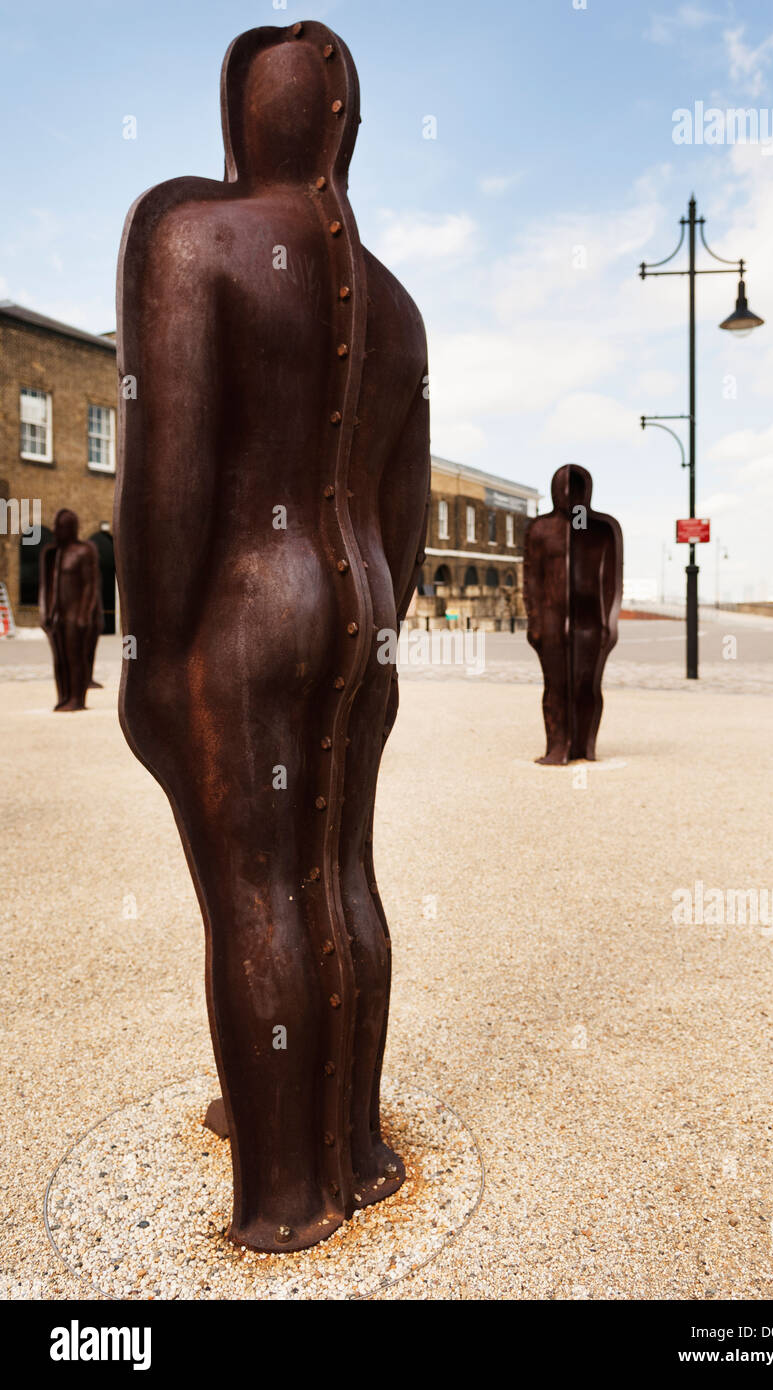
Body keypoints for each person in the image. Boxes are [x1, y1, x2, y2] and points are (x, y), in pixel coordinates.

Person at [116, 22, 430, 1253]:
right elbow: (400, 517)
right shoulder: (397, 309)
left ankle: (285, 1188)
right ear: (345, 124)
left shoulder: (190, 233)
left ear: (244, 112)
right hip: (360, 612)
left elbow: (170, 473)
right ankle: (345, 1143)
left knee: (251, 895)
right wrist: (380, 629)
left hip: (246, 609)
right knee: (337, 874)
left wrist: (150, 657)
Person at [524, 464, 623, 763]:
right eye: (564, 488)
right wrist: (535, 621)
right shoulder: (540, 529)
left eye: (576, 489)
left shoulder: (602, 529)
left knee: (587, 685)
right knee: (555, 686)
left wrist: (609, 623)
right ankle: (557, 745)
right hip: (552, 623)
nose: (569, 496)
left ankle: (584, 744)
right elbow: (531, 580)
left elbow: (612, 581)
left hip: (591, 624)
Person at [39, 509, 100, 712]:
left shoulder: (83, 552)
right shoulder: (54, 553)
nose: (56, 531)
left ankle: (77, 698)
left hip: (76, 616)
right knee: (60, 659)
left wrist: (85, 614)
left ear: (71, 529)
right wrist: (45, 612)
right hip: (58, 616)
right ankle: (63, 696)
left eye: (60, 527)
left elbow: (90, 586)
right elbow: (46, 587)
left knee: (76, 657)